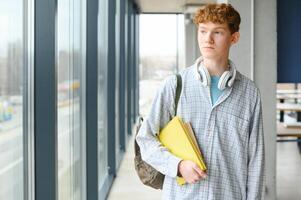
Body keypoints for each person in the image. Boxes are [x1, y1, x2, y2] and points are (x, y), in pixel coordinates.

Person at [136, 3, 265, 200]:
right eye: (203, 31)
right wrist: (177, 165)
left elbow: (256, 160)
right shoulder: (174, 86)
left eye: (218, 32)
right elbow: (145, 140)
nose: (208, 39)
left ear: (234, 37)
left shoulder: (249, 93)